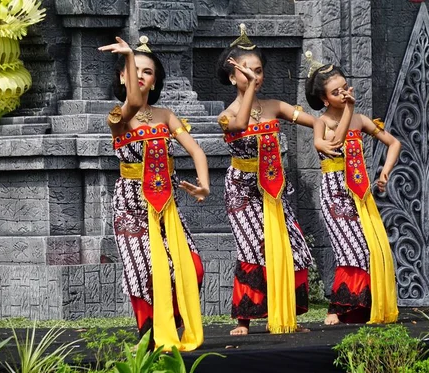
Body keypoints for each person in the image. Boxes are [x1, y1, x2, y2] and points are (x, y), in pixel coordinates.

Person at [216, 25, 336, 336]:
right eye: (245, 71)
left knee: (294, 248)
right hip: (242, 192)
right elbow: (242, 123)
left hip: (274, 190)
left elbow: (316, 121)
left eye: (258, 70)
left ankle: (287, 314)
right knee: (255, 247)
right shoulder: (227, 115)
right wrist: (251, 90)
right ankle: (244, 319)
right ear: (232, 77)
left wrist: (323, 137)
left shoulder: (276, 107)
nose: (253, 76)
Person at [99, 35, 209, 351]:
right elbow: (133, 101)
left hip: (165, 207)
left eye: (148, 72)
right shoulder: (119, 117)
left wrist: (203, 183)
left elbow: (197, 151)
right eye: (134, 71)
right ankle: (148, 333)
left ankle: (173, 320)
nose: (141, 76)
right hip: (132, 206)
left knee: (192, 265)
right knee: (143, 270)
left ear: (156, 79)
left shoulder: (166, 116)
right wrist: (129, 57)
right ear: (123, 76)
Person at [305, 51, 401, 325]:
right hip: (335, 194)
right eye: (337, 92)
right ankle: (337, 308)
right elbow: (334, 144)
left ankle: (362, 309)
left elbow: (394, 143)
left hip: (361, 194)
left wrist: (384, 171)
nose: (344, 94)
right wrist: (349, 109)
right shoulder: (322, 123)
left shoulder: (361, 120)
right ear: (325, 99)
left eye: (345, 88)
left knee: (374, 249)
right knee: (351, 249)